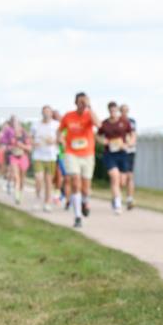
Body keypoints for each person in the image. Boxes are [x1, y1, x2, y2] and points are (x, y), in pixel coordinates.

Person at [58, 92, 101, 227]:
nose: (82, 104)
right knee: (75, 183)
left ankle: (84, 201)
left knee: (86, 188)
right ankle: (77, 216)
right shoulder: (68, 116)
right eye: (80, 102)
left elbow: (98, 124)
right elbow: (59, 131)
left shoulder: (89, 115)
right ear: (75, 103)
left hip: (87, 154)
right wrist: (61, 140)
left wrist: (90, 107)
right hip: (72, 153)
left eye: (85, 102)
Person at [98, 101, 133, 215]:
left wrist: (127, 144)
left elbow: (131, 135)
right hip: (109, 154)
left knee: (122, 181)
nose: (113, 113)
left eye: (115, 110)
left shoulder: (124, 122)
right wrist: (103, 141)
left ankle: (115, 197)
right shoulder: (104, 123)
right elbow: (98, 136)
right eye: (111, 111)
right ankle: (118, 204)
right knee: (114, 177)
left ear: (117, 111)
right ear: (108, 111)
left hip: (122, 153)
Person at [32, 106, 60, 211]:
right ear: (42, 113)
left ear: (51, 113)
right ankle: (37, 197)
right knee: (38, 178)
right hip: (38, 155)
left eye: (48, 112)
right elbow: (31, 137)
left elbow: (60, 138)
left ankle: (47, 202)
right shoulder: (36, 125)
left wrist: (54, 141)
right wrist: (34, 143)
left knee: (48, 180)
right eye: (44, 112)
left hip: (51, 156)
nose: (46, 113)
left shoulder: (56, 125)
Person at [7, 119, 32, 204]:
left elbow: (29, 148)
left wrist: (22, 146)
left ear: (21, 127)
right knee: (16, 177)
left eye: (18, 126)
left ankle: (20, 193)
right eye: (15, 127)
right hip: (14, 157)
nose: (16, 128)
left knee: (22, 178)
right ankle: (16, 195)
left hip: (23, 158)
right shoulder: (11, 137)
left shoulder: (25, 137)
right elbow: (7, 147)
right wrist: (11, 148)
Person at [120, 103, 137, 210]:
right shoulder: (117, 122)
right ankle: (117, 197)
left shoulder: (132, 122)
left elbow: (133, 135)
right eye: (123, 110)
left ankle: (130, 199)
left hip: (130, 151)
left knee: (130, 176)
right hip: (120, 152)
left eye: (127, 110)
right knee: (121, 178)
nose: (125, 112)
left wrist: (130, 144)